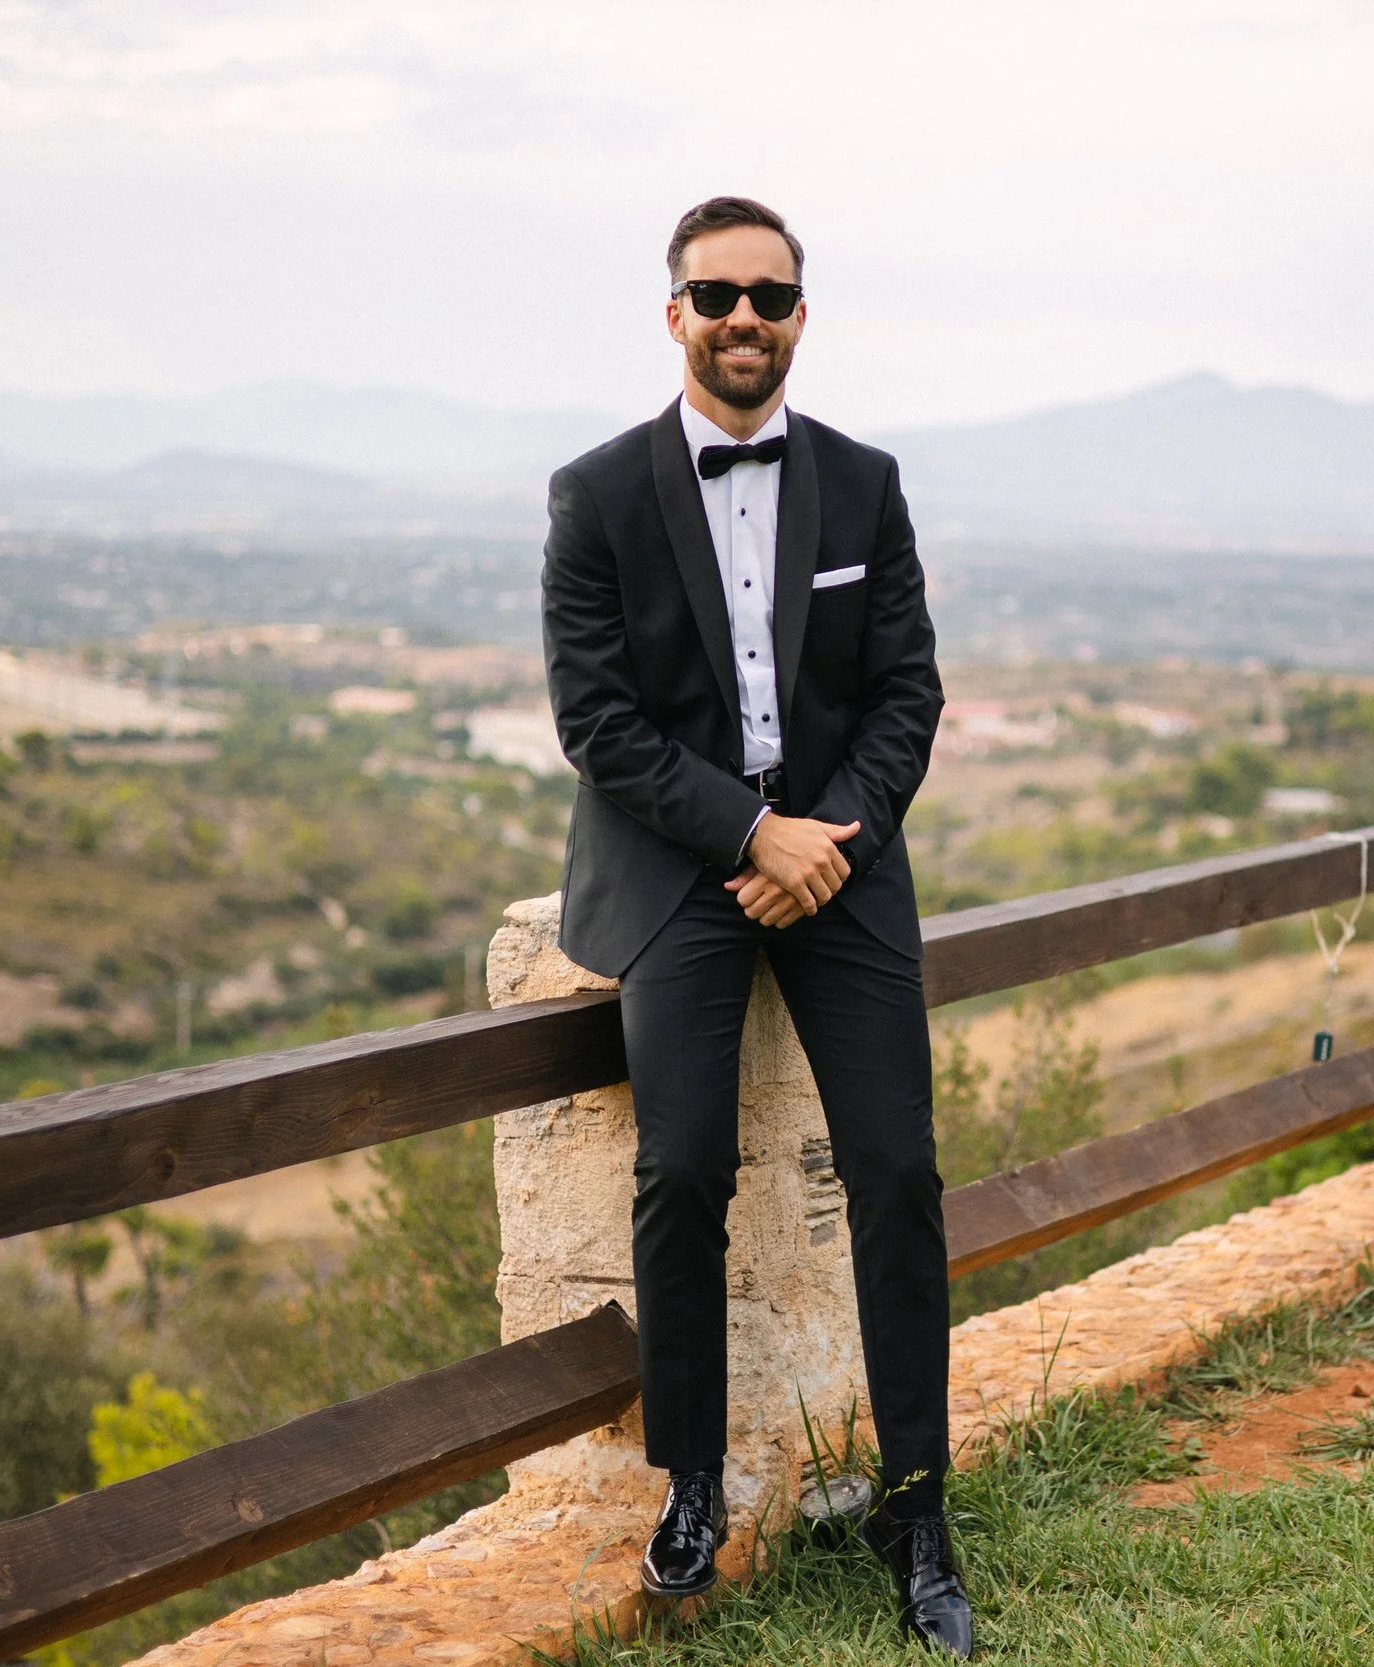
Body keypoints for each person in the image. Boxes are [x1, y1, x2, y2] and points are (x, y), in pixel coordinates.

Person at [540, 195, 970, 1656]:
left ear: (800, 317)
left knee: (900, 1169)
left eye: (769, 297)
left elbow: (908, 693)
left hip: (838, 858)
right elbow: (595, 721)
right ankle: (691, 1480)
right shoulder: (595, 494)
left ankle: (919, 1509)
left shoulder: (866, 484)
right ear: (675, 314)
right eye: (716, 294)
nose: (743, 317)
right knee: (679, 1168)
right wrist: (746, 831)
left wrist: (819, 842)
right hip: (678, 866)